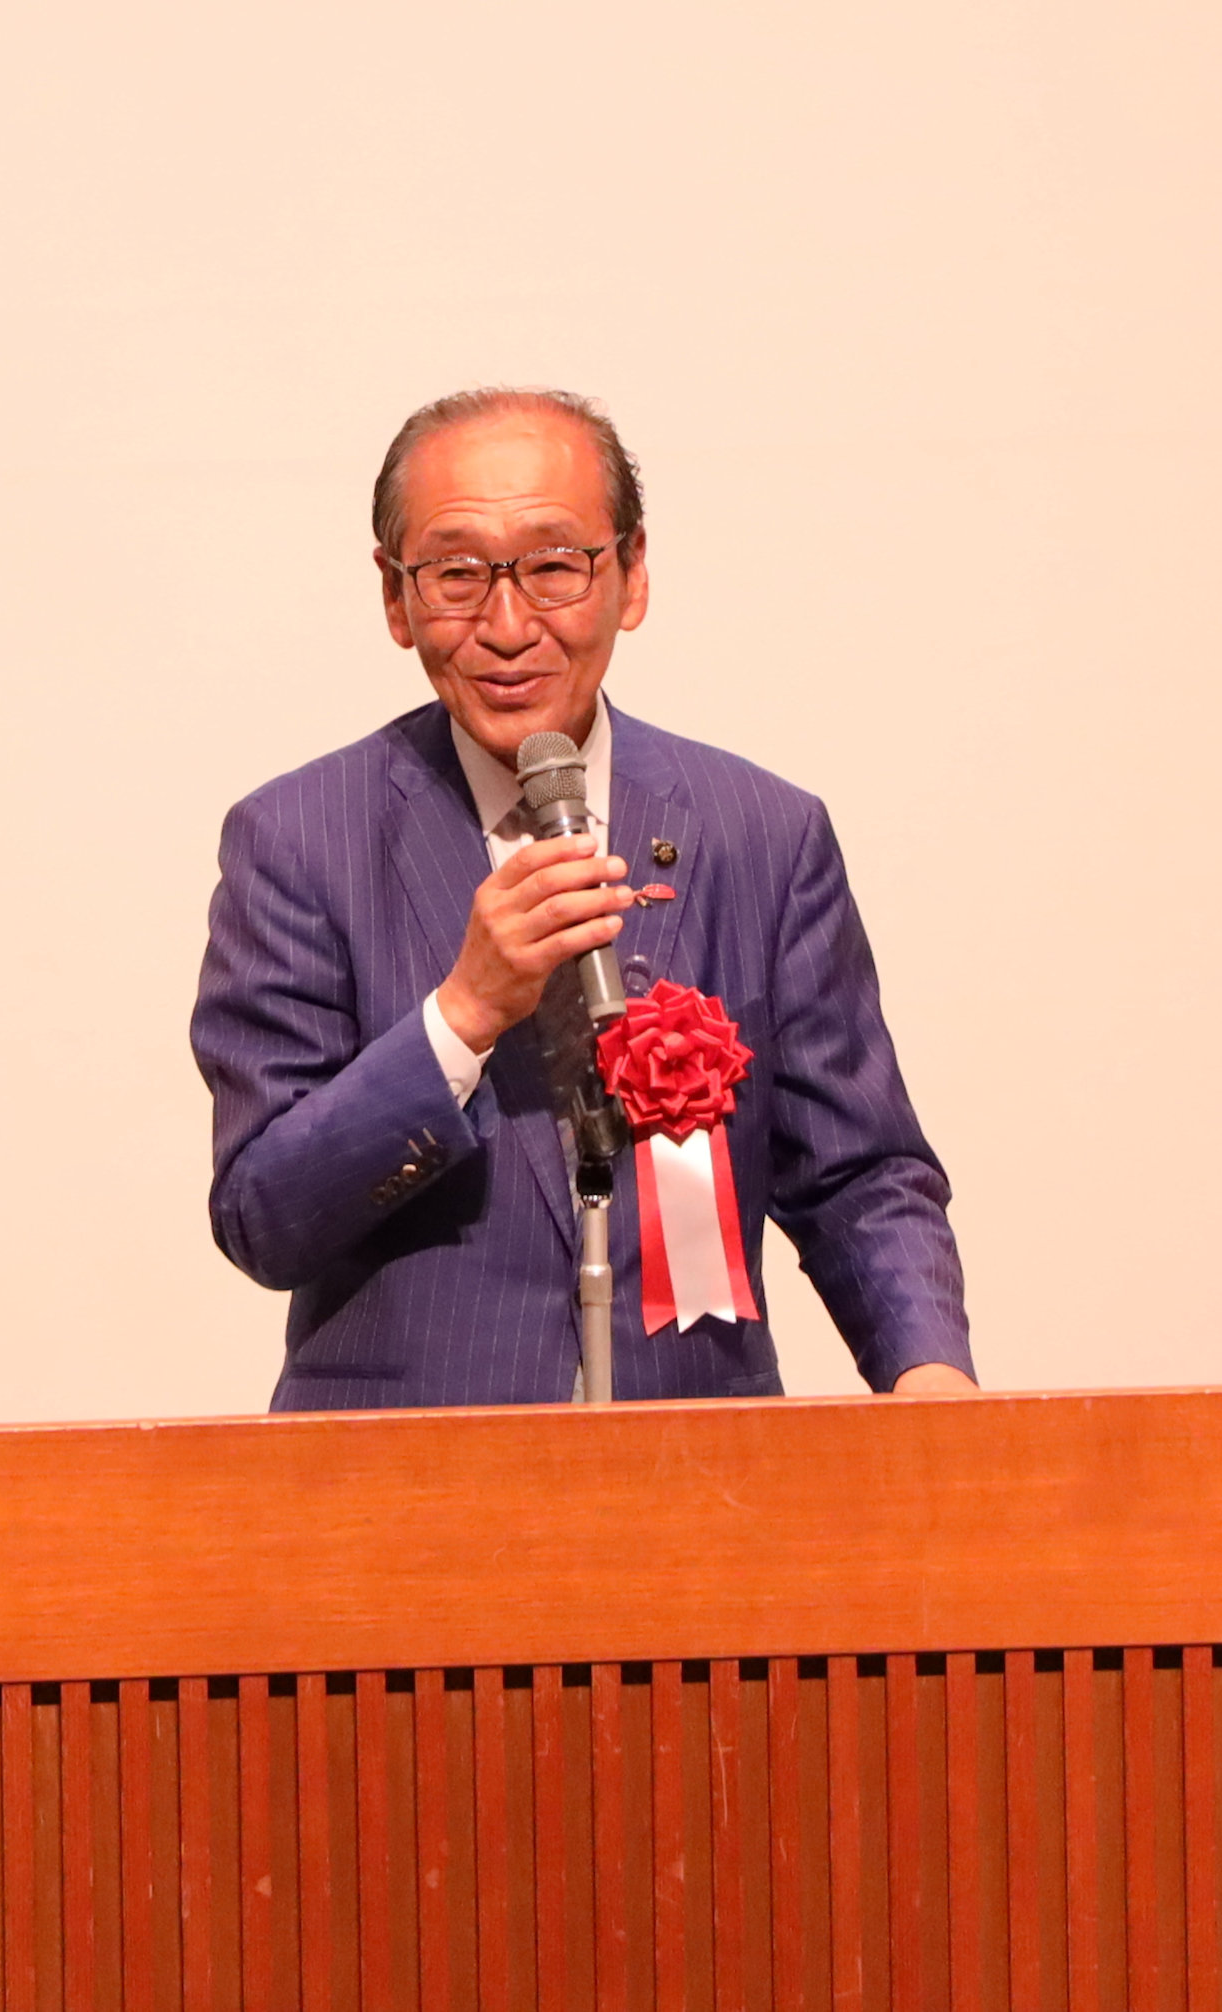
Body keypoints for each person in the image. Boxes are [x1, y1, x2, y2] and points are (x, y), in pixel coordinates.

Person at [191, 388, 977, 1407]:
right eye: (458, 574)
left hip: (697, 1459)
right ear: (395, 596)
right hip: (406, 1471)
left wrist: (929, 1377)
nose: (507, 625)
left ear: (631, 574)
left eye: (554, 565)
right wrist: (460, 1017)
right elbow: (263, 1217)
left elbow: (860, 1175)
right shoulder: (299, 840)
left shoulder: (761, 832)